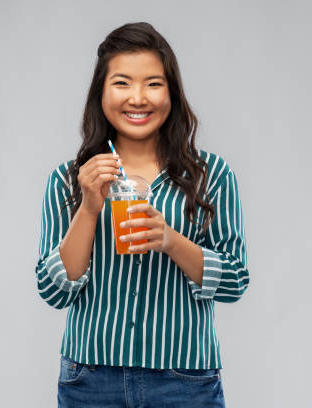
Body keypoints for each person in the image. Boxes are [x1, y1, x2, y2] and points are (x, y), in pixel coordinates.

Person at [35, 22, 249, 408]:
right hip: (90, 379)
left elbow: (234, 281)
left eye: (153, 83)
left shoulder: (211, 175)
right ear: (101, 93)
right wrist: (88, 206)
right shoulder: (69, 180)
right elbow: (53, 291)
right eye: (122, 83)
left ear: (172, 93)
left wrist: (171, 240)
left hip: (185, 380)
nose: (138, 98)